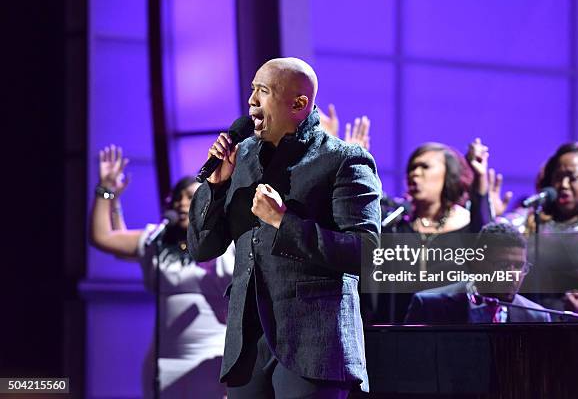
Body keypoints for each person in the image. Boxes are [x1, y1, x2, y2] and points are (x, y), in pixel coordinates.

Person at [187, 57, 381, 398]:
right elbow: (202, 248)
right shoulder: (241, 157)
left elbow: (365, 253)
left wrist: (282, 221)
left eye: (263, 91)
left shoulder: (343, 159)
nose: (251, 101)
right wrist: (216, 187)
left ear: (299, 103)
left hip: (314, 346)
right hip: (247, 344)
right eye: (251, 91)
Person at [89, 145, 232, 398]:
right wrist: (106, 191)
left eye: (190, 196)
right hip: (163, 363)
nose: (182, 203)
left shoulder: (226, 240)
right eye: (177, 197)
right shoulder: (156, 239)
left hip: (212, 357)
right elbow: (104, 238)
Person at [372, 140, 493, 323]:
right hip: (401, 331)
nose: (415, 173)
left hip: (452, 330)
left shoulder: (468, 223)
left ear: (449, 175)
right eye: (412, 167)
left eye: (425, 167)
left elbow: (489, 247)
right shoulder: (396, 225)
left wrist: (480, 180)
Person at [494, 142, 578, 315]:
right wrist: (486, 208)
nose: (563, 184)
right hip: (531, 327)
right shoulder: (528, 221)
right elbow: (488, 244)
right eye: (558, 177)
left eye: (572, 177)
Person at [405, 223, 551, 324]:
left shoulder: (537, 316)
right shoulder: (429, 305)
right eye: (503, 265)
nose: (513, 274)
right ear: (476, 263)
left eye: (519, 266)